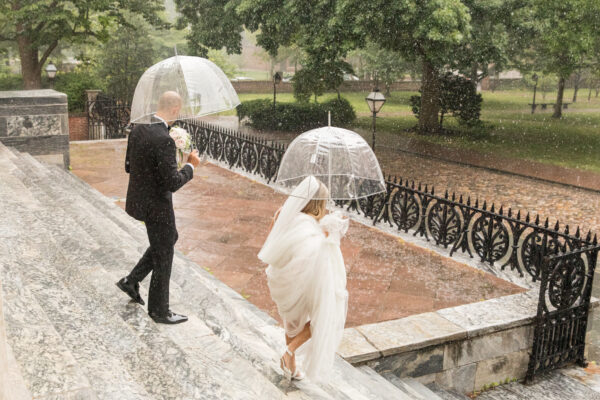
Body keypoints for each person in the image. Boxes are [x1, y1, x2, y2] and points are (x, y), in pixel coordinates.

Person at [116, 91, 201, 324]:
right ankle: (159, 310)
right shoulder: (164, 139)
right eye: (179, 111)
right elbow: (172, 182)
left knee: (167, 239)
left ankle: (131, 281)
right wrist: (190, 166)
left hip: (138, 199)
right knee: (164, 251)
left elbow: (128, 166)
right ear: (175, 109)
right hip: (157, 205)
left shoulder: (139, 127)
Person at [258, 176, 349, 382]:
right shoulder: (314, 226)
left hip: (283, 278)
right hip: (309, 279)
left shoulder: (284, 215)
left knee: (292, 321)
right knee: (326, 315)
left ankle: (290, 364)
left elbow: (272, 242)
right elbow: (320, 254)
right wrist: (332, 234)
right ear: (318, 204)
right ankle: (290, 351)